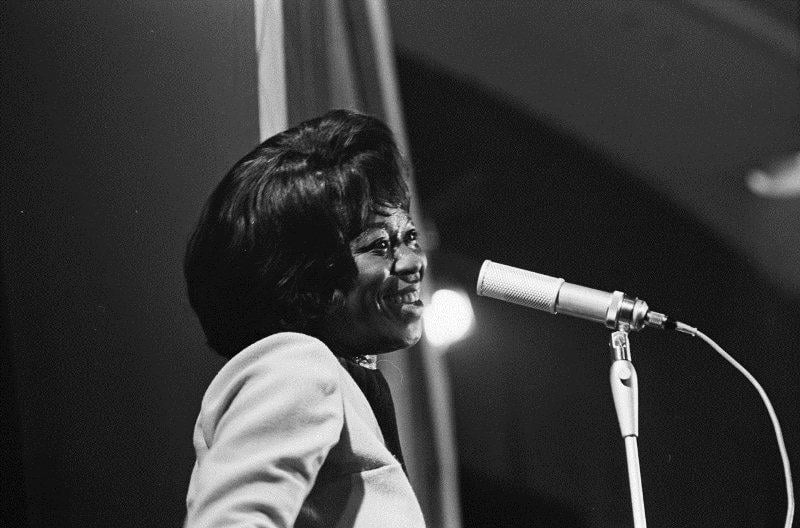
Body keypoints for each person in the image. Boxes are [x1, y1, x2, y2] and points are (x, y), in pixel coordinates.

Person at [183, 110, 427, 527]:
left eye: (408, 237)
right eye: (379, 245)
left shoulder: (344, 385)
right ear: (309, 278)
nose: (412, 262)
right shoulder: (295, 363)